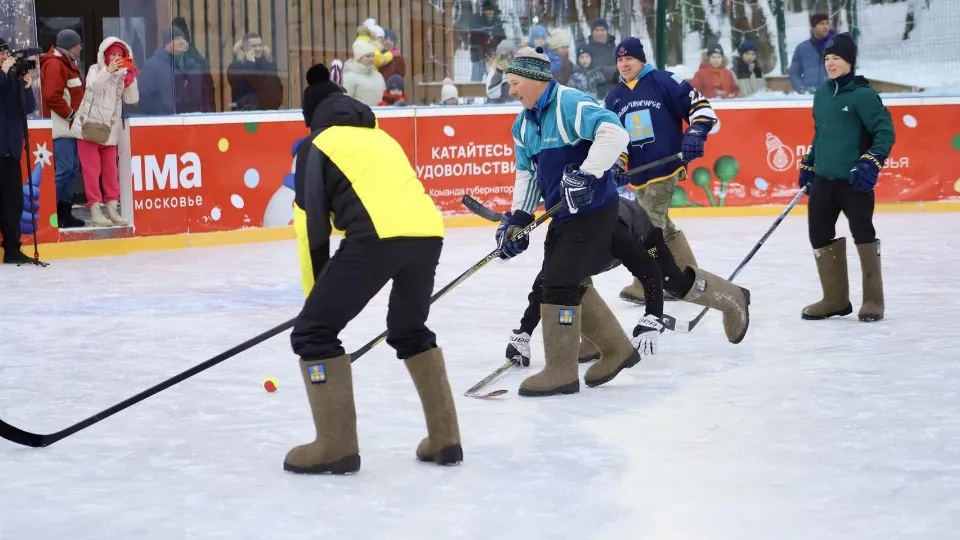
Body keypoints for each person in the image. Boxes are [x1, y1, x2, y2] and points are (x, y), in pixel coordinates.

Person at [285, 65, 461, 475]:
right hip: (427, 233)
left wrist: (316, 304)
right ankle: (444, 438)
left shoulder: (316, 145)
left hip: (376, 236)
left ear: (311, 117)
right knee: (408, 329)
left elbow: (313, 229)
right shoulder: (382, 137)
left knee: (314, 334)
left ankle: (334, 446)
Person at [495, 46, 630, 396]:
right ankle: (617, 348)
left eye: (514, 82)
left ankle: (561, 371)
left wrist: (587, 174)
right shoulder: (522, 125)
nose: (511, 90)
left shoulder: (570, 102)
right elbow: (526, 174)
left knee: (556, 283)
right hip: (562, 215)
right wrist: (519, 220)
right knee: (569, 278)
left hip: (594, 210)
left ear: (536, 79)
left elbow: (615, 134)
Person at [506, 196, 751, 375]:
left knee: (673, 282)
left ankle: (733, 298)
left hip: (637, 230)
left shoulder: (616, 236)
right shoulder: (564, 244)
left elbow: (649, 273)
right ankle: (594, 342)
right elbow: (545, 285)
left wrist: (652, 318)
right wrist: (523, 334)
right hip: (592, 236)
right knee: (565, 282)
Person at [604, 37, 718, 305]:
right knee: (662, 225)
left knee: (648, 225)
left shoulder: (664, 81)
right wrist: (617, 164)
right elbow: (615, 137)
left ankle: (647, 283)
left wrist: (696, 132)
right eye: (620, 60)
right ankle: (688, 277)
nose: (624, 64)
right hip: (639, 173)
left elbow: (701, 108)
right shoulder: (614, 98)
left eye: (629, 58)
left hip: (664, 167)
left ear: (641, 59)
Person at [798, 33, 893, 323]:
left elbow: (884, 132)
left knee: (862, 232)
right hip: (825, 179)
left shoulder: (864, 95)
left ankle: (873, 301)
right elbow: (821, 134)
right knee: (818, 232)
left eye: (836, 58)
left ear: (849, 61)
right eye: (826, 59)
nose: (830, 63)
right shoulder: (822, 94)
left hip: (855, 181)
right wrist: (809, 163)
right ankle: (835, 299)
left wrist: (871, 161)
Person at [72, 37, 139, 227]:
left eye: (120, 55)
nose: (116, 58)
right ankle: (95, 211)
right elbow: (93, 86)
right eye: (113, 55)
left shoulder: (122, 75)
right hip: (89, 128)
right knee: (92, 171)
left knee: (111, 171)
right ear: (106, 56)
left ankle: (112, 209)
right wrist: (107, 72)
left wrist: (131, 79)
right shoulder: (95, 69)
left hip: (109, 131)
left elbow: (132, 99)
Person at [39, 29, 86, 228]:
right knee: (65, 169)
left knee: (72, 169)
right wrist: (71, 116)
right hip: (62, 129)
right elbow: (52, 97)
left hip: (70, 127)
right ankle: (46, 211)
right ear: (72, 46)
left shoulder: (66, 63)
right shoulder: (55, 65)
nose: (81, 48)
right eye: (79, 44)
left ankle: (64, 213)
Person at [0, 38, 37, 264]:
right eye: (1, 54)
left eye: (6, 53)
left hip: (11, 151)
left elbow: (29, 107)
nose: (5, 57)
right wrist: (3, 75)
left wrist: (26, 86)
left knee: (13, 203)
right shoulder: (3, 77)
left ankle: (12, 249)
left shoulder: (12, 78)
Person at [227, 32, 283, 111]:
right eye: (253, 46)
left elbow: (277, 90)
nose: (258, 48)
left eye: (260, 45)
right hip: (242, 114)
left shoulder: (269, 66)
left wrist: (272, 108)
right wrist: (250, 64)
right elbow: (238, 85)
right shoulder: (235, 67)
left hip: (265, 114)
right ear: (244, 49)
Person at [788, 13, 834, 94]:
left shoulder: (838, 46)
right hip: (810, 96)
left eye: (827, 23)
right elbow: (794, 73)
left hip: (833, 96)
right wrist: (802, 90)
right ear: (813, 27)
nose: (825, 26)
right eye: (821, 23)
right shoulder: (802, 48)